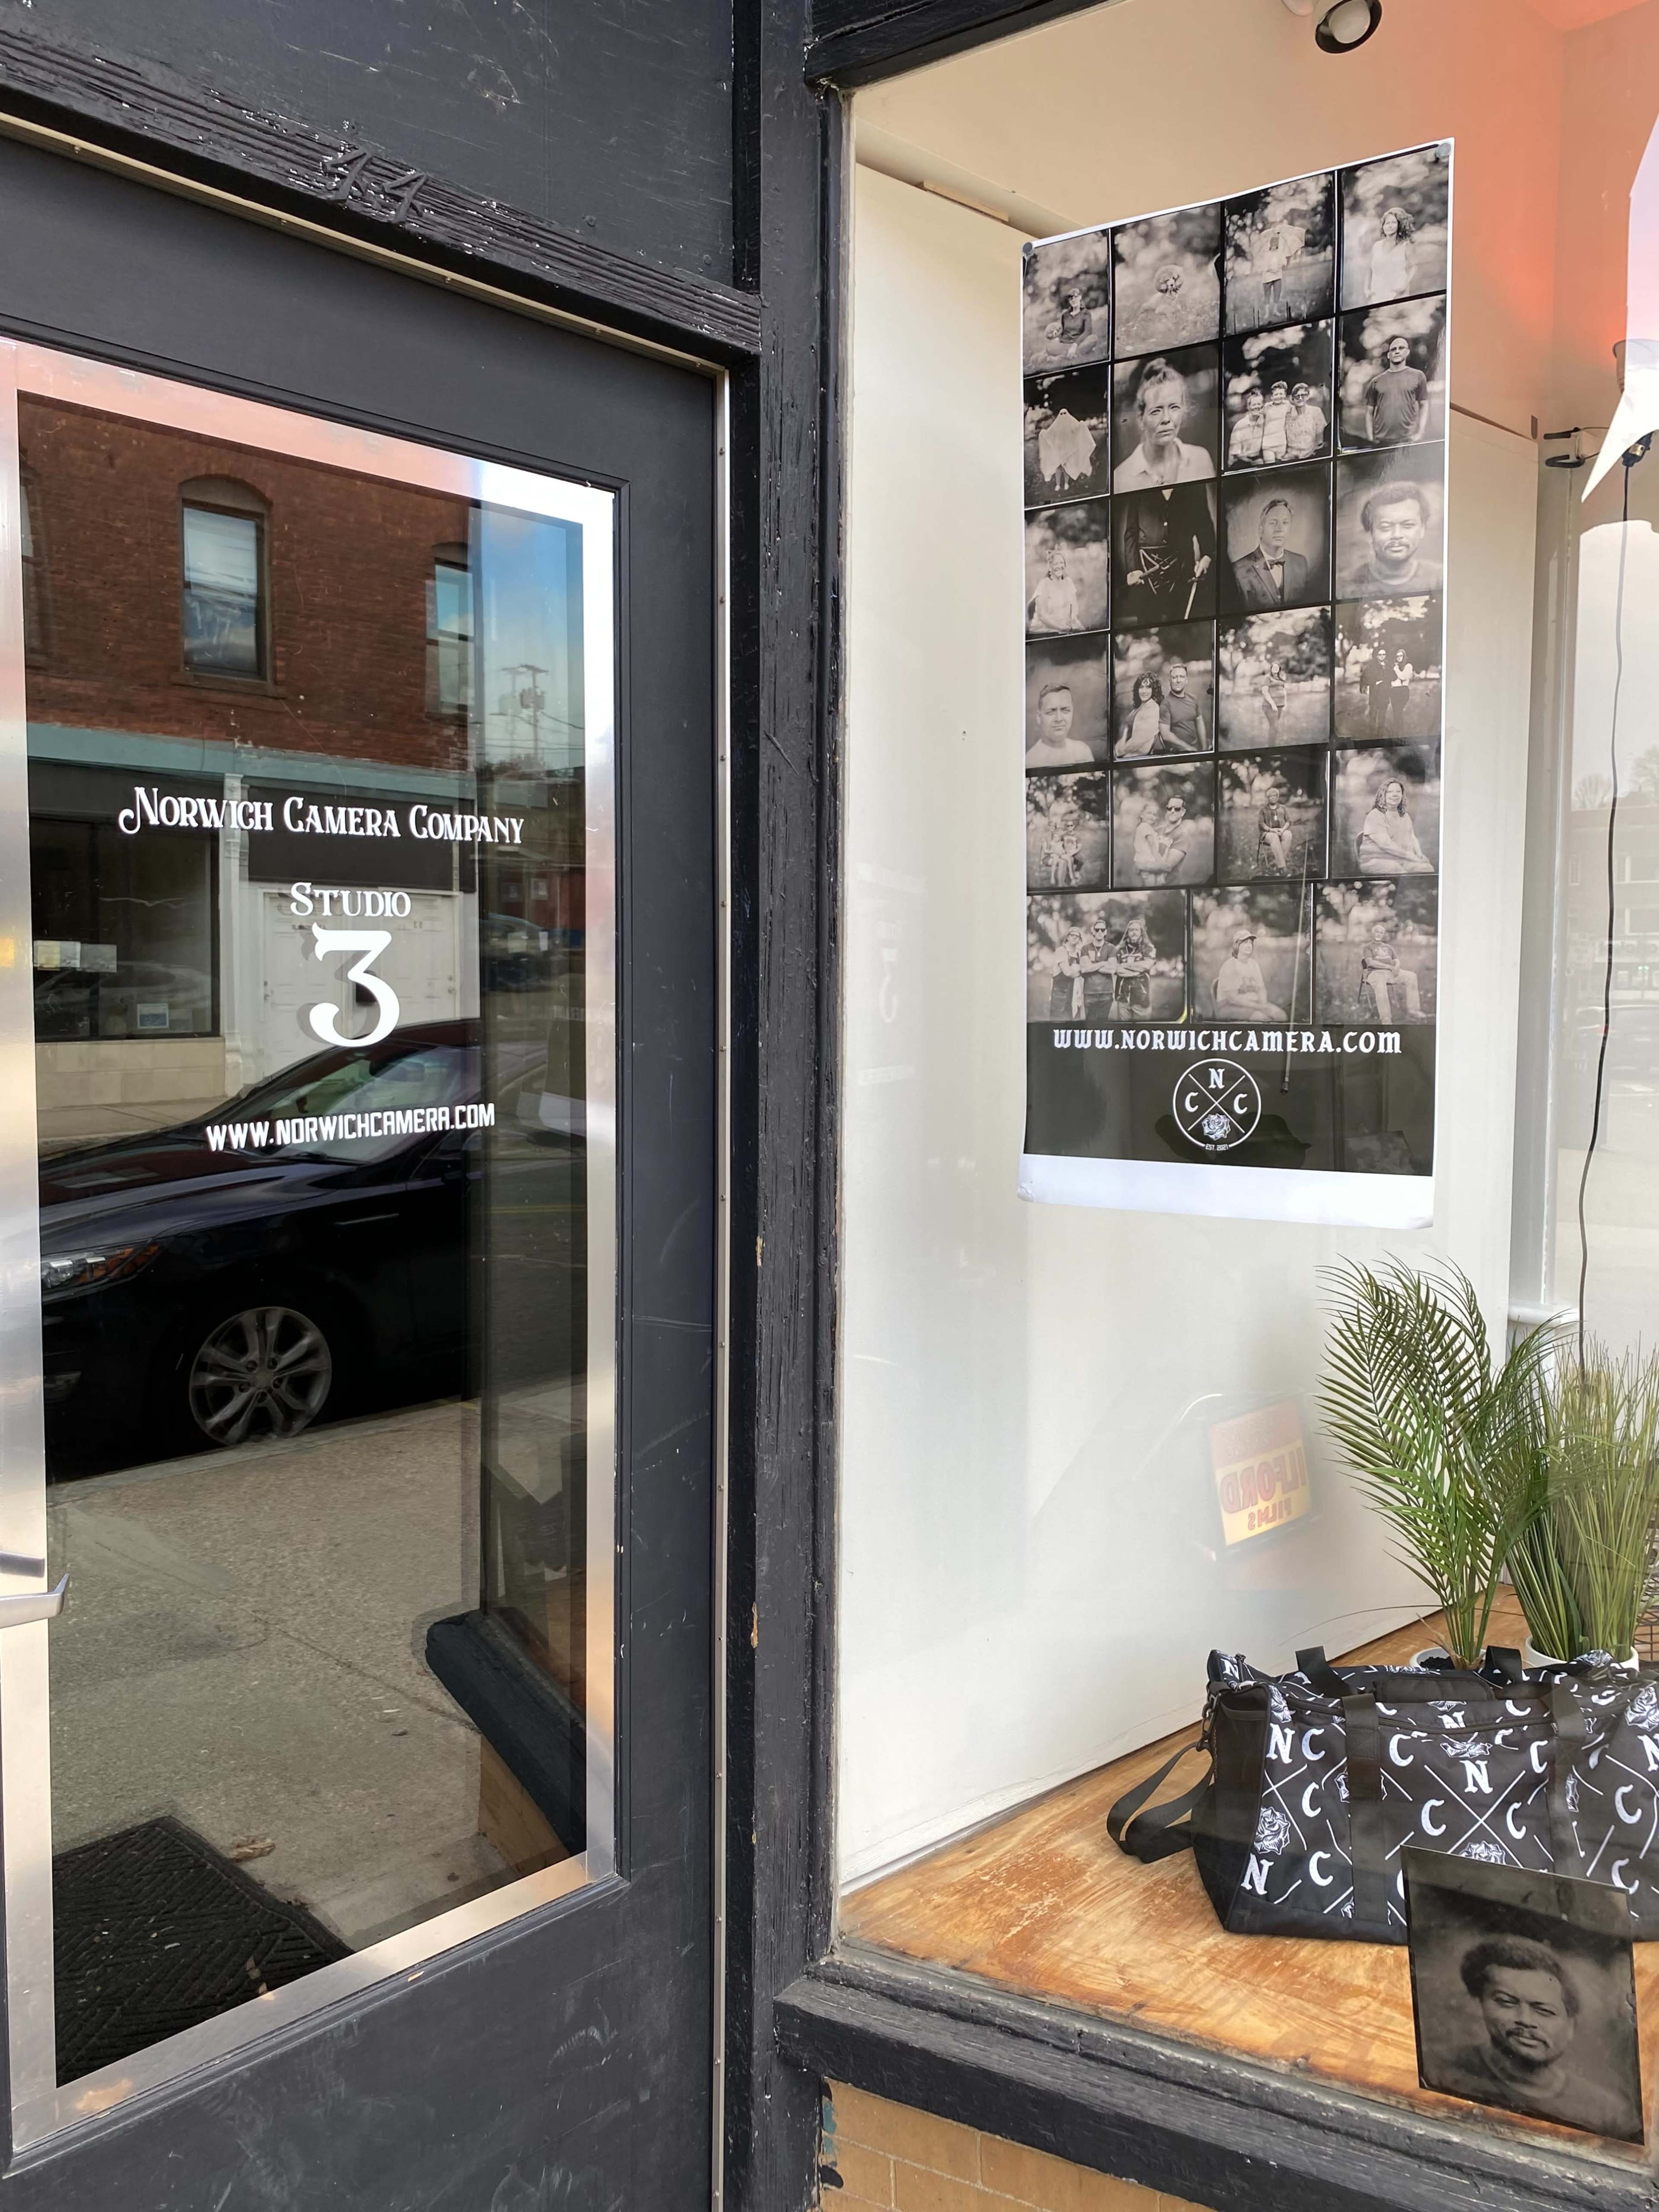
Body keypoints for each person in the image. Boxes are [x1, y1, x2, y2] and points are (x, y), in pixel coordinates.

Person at [1437, 1938, 1633, 2137]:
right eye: (1506, 2002)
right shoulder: (1441, 2071)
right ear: (1481, 2005)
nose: (1525, 2020)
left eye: (1544, 2011)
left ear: (1570, 2026)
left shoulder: (1608, 2114)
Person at [1119, 483, 1215, 626]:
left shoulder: (1194, 484)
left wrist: (1207, 556)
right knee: (1148, 621)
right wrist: (1134, 568)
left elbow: (1204, 525)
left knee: (1181, 620)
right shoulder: (1138, 484)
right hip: (1145, 567)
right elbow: (1131, 533)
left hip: (1183, 566)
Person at [1112, 357, 1215, 491]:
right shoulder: (1121, 478)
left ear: (1184, 411)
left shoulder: (1201, 459)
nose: (1166, 419)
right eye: (1156, 411)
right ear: (1140, 418)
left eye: (1174, 408)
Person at [1349, 478, 1440, 594]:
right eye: (1386, 527)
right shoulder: (1342, 587)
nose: (1397, 535)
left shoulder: (1442, 579)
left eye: (1407, 525)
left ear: (1422, 529)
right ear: (1370, 534)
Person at [1230, 494, 1310, 610]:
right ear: (1261, 529)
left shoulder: (1301, 563)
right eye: (1273, 523)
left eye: (1285, 523)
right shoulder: (1238, 570)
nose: (1280, 529)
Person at [1363, 331, 1431, 446]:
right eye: (1393, 349)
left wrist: (1420, 433)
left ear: (1408, 352)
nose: (1397, 351)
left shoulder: (1418, 376)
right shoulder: (1376, 382)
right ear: (1389, 355)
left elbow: (1424, 405)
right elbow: (1369, 412)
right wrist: (1371, 437)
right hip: (1381, 440)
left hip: (1408, 440)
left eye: (1401, 348)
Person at [1357, 775, 1433, 874]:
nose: (1395, 795)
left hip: (1400, 859)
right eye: (1390, 792)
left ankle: (1417, 889)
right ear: (1383, 795)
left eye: (1398, 792)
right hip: (1375, 861)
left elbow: (1412, 837)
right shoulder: (1375, 815)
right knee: (1397, 871)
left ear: (1402, 795)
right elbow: (1386, 845)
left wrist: (1420, 856)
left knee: (1427, 868)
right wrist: (1413, 857)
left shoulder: (1405, 816)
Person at [1213, 927, 1286, 1019]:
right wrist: (1260, 1008)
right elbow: (1234, 999)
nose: (1249, 945)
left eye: (1251, 943)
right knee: (1262, 1018)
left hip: (1254, 1005)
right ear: (1237, 946)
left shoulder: (1253, 964)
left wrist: (1263, 1005)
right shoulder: (1230, 966)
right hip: (1230, 1007)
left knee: (1282, 1016)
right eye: (1245, 943)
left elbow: (1261, 989)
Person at [1359, 919, 1421, 1020]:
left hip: (1392, 973)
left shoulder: (1388, 947)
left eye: (1381, 933)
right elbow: (1370, 963)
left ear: (1383, 935)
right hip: (1376, 973)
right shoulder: (1368, 947)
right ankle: (1386, 1018)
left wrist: (1397, 967)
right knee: (1381, 985)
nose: (1379, 934)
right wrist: (1388, 966)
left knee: (1412, 977)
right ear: (1373, 933)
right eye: (1377, 932)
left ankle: (1414, 1011)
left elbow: (1397, 961)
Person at [1035, 401, 1099, 496]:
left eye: (1065, 414)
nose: (1063, 416)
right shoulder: (1056, 427)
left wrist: (1081, 425)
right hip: (1059, 450)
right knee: (1058, 468)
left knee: (1067, 468)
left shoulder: (1072, 426)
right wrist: (1043, 433)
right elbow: (1049, 434)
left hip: (1069, 451)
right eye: (1062, 414)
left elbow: (1078, 431)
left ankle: (1066, 483)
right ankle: (1058, 484)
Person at [1027, 680, 1094, 768]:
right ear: (1039, 717)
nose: (1059, 719)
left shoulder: (1083, 751)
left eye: (1066, 710)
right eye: (1051, 712)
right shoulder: (1031, 761)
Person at [1134, 793, 1195, 885]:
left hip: (1169, 888)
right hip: (1150, 884)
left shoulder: (1182, 836)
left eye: (1177, 809)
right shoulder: (1157, 830)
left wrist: (1140, 866)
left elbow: (1167, 866)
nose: (1173, 811)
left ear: (1183, 812)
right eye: (1170, 808)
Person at [1366, 205, 1417, 303]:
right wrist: (1367, 290)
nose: (1390, 226)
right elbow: (1369, 270)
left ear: (1400, 225)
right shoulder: (1377, 246)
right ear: (1383, 226)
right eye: (1387, 223)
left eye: (1394, 223)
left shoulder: (1406, 246)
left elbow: (1413, 268)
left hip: (1397, 295)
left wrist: (1404, 287)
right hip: (1377, 296)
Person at [1109, 916, 1157, 1019]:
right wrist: (1135, 972)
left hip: (1141, 997)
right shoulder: (1120, 950)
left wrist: (1125, 965)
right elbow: (1116, 969)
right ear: (1128, 933)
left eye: (1137, 930)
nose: (1134, 932)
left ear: (1142, 932)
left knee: (1142, 1031)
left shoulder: (1148, 948)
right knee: (1123, 1031)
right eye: (1131, 930)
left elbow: (1147, 965)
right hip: (1122, 998)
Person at [1029, 547, 1081, 632]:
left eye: (1062, 563)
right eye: (1056, 564)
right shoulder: (1044, 584)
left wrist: (1072, 621)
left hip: (1067, 626)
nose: (1059, 566)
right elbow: (1042, 616)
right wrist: (1061, 627)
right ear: (1050, 568)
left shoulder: (1069, 582)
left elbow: (1075, 606)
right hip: (1046, 629)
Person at [1160, 657, 1207, 751]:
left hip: (1196, 749)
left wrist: (1205, 748)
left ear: (1186, 680)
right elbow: (1165, 735)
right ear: (1170, 681)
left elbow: (1200, 722)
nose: (1178, 681)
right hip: (1177, 752)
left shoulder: (1194, 699)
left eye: (1182, 677)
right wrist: (1189, 749)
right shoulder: (1165, 704)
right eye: (1175, 677)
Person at [1119, 671, 1169, 757]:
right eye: (1141, 687)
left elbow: (1139, 741)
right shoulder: (1138, 708)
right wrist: (1116, 751)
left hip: (1136, 757)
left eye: (1148, 688)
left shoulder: (1153, 709)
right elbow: (1126, 733)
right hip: (1126, 753)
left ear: (1154, 690)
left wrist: (1120, 753)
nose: (1144, 691)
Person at [1049, 926, 1087, 1020]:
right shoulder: (1061, 951)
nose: (1075, 937)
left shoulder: (1079, 953)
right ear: (1068, 937)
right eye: (1072, 935)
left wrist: (1082, 970)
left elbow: (1086, 968)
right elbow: (1068, 972)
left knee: (1074, 1023)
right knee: (1059, 1023)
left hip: (1074, 994)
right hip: (1060, 994)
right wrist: (1081, 971)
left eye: (1077, 936)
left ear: (1079, 940)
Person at [1255, 781, 1295, 874]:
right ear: (1268, 798)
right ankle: (1282, 867)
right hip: (1267, 834)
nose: (1273, 798)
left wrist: (1283, 830)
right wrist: (1271, 830)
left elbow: (1289, 821)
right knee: (1274, 837)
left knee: (1288, 834)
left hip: (1281, 831)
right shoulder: (1263, 810)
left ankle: (1278, 863)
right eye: (1271, 796)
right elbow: (1261, 824)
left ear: (1277, 797)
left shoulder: (1284, 808)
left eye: (1275, 796)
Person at [1283, 379, 1327, 460]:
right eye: (1297, 396)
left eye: (1303, 396)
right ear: (1292, 399)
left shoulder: (1316, 412)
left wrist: (1313, 453)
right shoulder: (1287, 416)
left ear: (1307, 397)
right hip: (1291, 457)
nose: (1300, 399)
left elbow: (1320, 439)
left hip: (1312, 455)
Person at [1228, 387, 1267, 467]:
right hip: (1240, 462)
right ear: (1248, 407)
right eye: (1254, 405)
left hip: (1257, 461)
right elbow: (1236, 454)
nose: (1257, 407)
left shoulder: (1264, 422)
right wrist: (1253, 463)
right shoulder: (1240, 426)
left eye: (1259, 404)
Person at [1360, 638, 1391, 736]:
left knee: (1382, 718)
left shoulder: (1388, 666)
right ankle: (1371, 737)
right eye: (1380, 655)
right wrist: (1374, 683)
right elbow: (1364, 678)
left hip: (1385, 695)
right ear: (1377, 655)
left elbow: (1393, 677)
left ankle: (1380, 737)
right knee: (1373, 717)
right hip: (1375, 695)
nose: (1382, 657)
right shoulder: (1371, 666)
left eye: (1384, 655)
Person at [1260, 378, 1291, 465]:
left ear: (1285, 394)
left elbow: (1294, 416)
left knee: (1281, 467)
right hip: (1268, 443)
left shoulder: (1287, 405)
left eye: (1281, 394)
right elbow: (1258, 418)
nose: (1279, 396)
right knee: (1270, 466)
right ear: (1272, 397)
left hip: (1281, 442)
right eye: (1276, 394)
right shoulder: (1267, 407)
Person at [1385, 646, 1415, 734]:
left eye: (1401, 656)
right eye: (1397, 656)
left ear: (1404, 656)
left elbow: (1403, 677)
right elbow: (1390, 678)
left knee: (1398, 712)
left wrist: (1396, 669)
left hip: (1403, 692)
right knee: (1396, 712)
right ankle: (1397, 731)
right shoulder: (1395, 666)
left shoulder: (1408, 666)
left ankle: (1399, 731)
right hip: (1394, 691)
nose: (1399, 658)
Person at [1056, 285, 1094, 356]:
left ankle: (1063, 355)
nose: (1073, 300)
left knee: (1094, 338)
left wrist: (1075, 345)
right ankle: (1072, 354)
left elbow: (1088, 331)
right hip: (1066, 343)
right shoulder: (1065, 315)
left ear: (1080, 297)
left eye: (1076, 297)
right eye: (1071, 298)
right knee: (1050, 347)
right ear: (1069, 301)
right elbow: (1063, 331)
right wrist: (1058, 339)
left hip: (1079, 342)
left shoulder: (1086, 313)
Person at [1259, 658, 1287, 743]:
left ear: (1279, 669)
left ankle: (1273, 744)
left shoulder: (1280, 679)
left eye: (1277, 667)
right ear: (1271, 669)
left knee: (1275, 726)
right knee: (1274, 726)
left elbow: (1284, 691)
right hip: (1269, 706)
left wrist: (1285, 703)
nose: (1276, 668)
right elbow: (1265, 692)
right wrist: (1273, 704)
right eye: (1274, 667)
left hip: (1280, 705)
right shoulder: (1267, 678)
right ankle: (1271, 747)